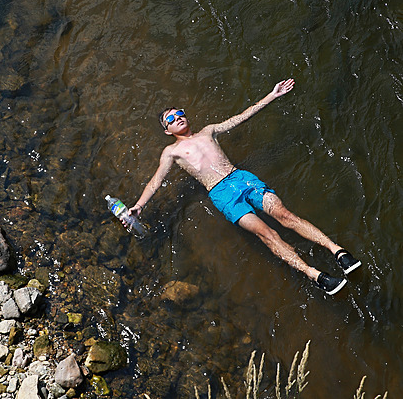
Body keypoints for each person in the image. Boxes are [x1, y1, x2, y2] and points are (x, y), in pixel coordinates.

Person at [127, 79, 360, 295]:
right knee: (266, 234)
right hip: (222, 194)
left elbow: (240, 117)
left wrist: (272, 95)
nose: (177, 117)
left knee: (285, 215)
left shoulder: (208, 131)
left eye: (179, 113)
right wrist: (138, 206)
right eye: (171, 119)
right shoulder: (171, 152)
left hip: (241, 178)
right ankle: (315, 275)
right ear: (167, 131)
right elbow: (156, 180)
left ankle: (337, 251)